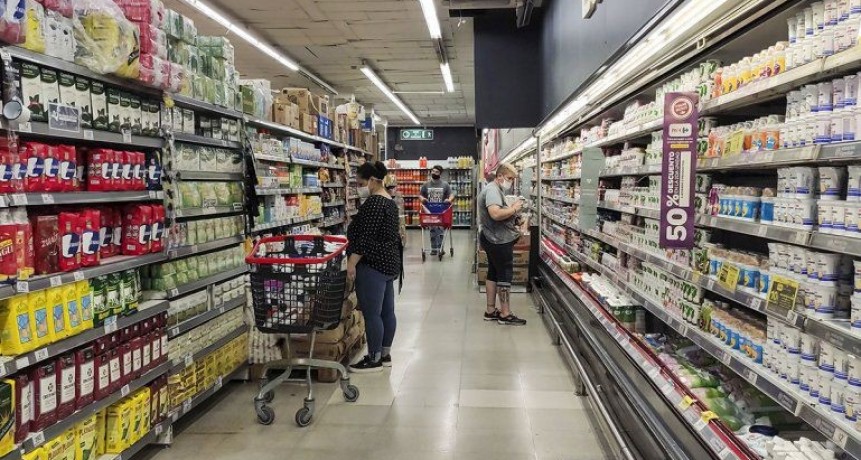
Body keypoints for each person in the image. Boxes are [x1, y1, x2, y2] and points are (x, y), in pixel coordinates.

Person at [346, 161, 403, 373]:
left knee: (372, 314)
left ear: (372, 180)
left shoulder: (373, 203)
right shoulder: (389, 201)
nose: (359, 188)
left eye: (360, 183)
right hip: (388, 263)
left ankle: (374, 359)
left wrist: (352, 263)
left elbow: (365, 239)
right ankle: (385, 354)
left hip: (372, 265)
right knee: (387, 311)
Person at [477, 163, 527, 326]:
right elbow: (495, 214)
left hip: (491, 237)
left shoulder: (495, 189)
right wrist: (514, 209)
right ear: (500, 176)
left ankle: (490, 310)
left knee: (493, 272)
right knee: (504, 275)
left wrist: (513, 218)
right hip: (498, 240)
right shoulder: (492, 190)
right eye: (509, 178)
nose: (511, 182)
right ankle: (505, 314)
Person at [419, 165, 454, 254]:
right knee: (432, 228)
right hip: (430, 212)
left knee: (440, 228)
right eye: (433, 171)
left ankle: (440, 248)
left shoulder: (445, 184)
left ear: (440, 174)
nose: (434, 173)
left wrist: (449, 200)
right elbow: (420, 195)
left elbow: (451, 194)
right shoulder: (426, 184)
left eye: (436, 172)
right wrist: (422, 199)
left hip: (441, 211)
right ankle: (434, 249)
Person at [384, 174, 407, 245]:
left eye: (393, 187)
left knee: (400, 227)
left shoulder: (398, 195)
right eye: (390, 188)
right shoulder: (384, 196)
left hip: (399, 217)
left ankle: (401, 241)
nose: (392, 190)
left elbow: (401, 207)